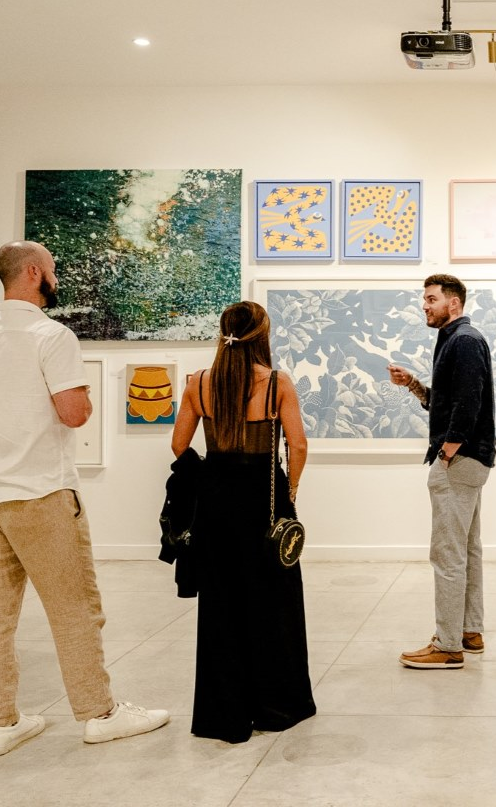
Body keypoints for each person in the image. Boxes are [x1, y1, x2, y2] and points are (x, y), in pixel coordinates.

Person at [0, 240, 169, 757]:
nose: (56, 274)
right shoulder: (52, 336)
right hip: (41, 492)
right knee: (74, 608)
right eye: (51, 267)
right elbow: (73, 414)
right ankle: (99, 713)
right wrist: (84, 396)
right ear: (32, 273)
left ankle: (0, 722)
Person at [171, 300, 316, 743]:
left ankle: (223, 711)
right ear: (261, 335)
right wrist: (288, 493)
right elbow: (299, 446)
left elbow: (179, 445)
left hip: (215, 501)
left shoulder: (199, 382)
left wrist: (212, 478)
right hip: (262, 500)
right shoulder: (276, 383)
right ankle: (276, 703)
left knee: (222, 603)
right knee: (273, 601)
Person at [388, 274, 496, 670]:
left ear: (454, 303)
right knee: (467, 547)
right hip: (470, 459)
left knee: (447, 552)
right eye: (425, 300)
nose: (425, 306)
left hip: (460, 460)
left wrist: (449, 450)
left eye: (431, 299)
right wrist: (414, 385)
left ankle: (448, 645)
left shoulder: (464, 341)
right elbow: (447, 402)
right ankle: (469, 631)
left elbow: (469, 402)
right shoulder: (456, 340)